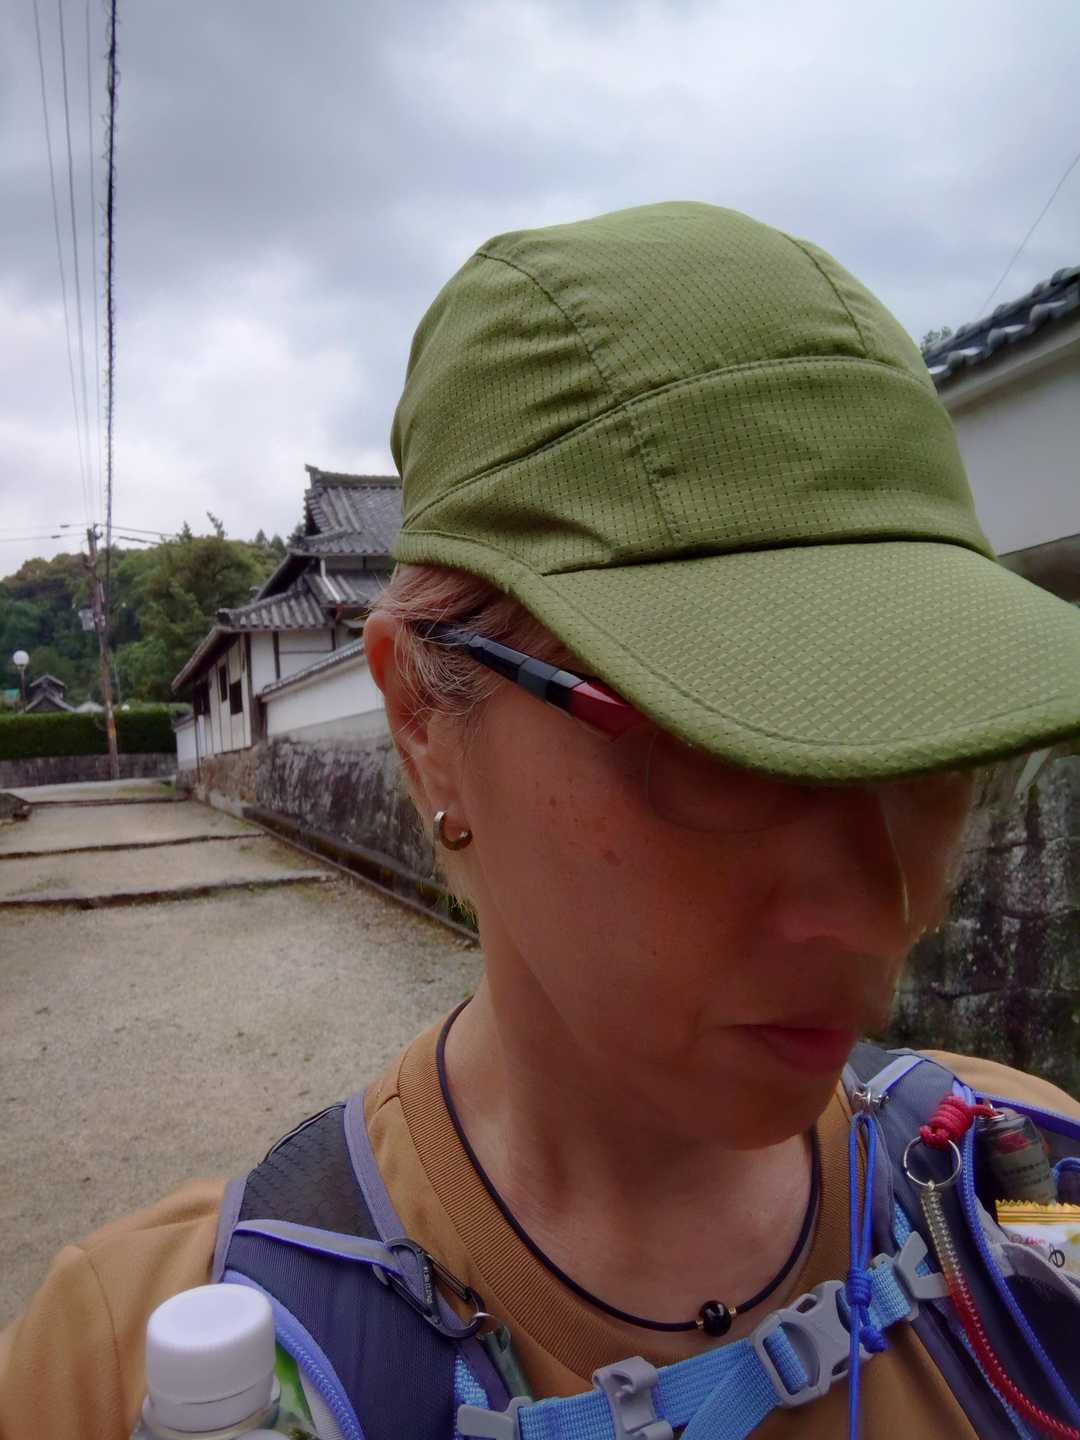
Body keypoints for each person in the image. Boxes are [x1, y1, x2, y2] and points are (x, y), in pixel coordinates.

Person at [3, 200, 1080, 1440]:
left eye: (936, 747)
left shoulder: (1027, 1196)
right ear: (422, 713)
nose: (881, 911)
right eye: (717, 746)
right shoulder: (122, 1371)